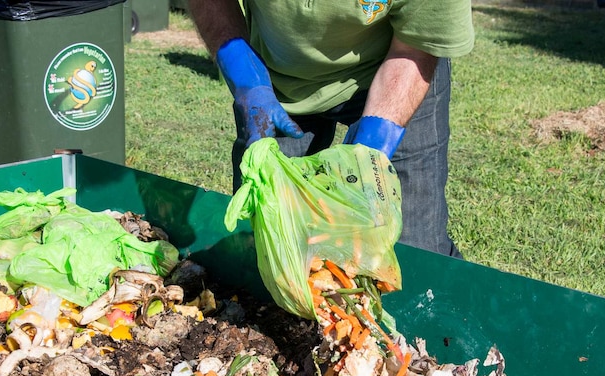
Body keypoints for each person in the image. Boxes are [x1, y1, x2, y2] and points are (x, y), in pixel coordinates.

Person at [187, 0, 474, 257]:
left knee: (413, 250)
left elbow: (416, 45)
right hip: (277, 80)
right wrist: (244, 72)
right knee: (270, 242)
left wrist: (373, 143)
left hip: (395, 68)